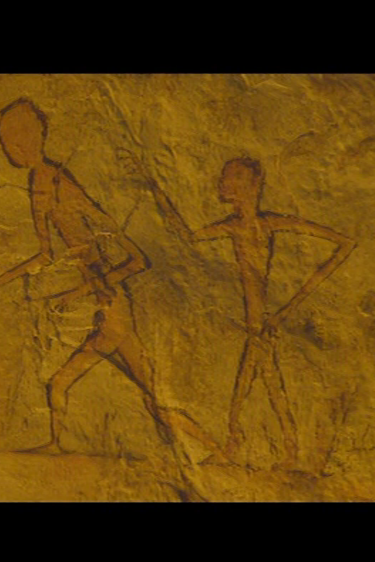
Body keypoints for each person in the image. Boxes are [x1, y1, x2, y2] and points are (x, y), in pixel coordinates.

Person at [0, 98, 226, 461]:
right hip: (109, 308)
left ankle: (57, 442)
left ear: (32, 137)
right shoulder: (39, 182)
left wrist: (77, 292)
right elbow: (44, 254)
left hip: (113, 309)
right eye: (7, 140)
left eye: (14, 138)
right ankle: (215, 448)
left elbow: (137, 259)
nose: (12, 148)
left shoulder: (60, 183)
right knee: (154, 401)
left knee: (62, 381)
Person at [119, 150, 356, 468]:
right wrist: (151, 183)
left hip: (262, 325)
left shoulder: (270, 223)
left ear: (254, 184)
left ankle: (249, 445)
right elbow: (187, 235)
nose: (225, 182)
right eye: (227, 176)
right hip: (253, 324)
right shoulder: (232, 226)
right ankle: (273, 448)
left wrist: (290, 306)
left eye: (235, 177)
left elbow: (345, 243)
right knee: (265, 385)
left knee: (258, 387)